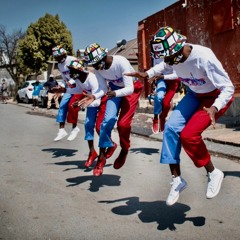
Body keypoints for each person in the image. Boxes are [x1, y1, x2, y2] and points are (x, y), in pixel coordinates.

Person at [125, 26, 234, 206]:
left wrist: (215, 107)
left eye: (170, 58)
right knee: (170, 128)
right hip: (194, 94)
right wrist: (148, 73)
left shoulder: (203, 57)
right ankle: (177, 180)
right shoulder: (172, 56)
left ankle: (213, 172)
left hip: (215, 97)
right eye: (166, 59)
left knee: (189, 136)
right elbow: (164, 64)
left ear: (178, 48)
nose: (169, 63)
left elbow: (228, 87)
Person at [82, 43, 143, 176]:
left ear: (104, 57)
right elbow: (103, 89)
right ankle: (101, 158)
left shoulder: (121, 62)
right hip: (114, 91)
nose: (96, 67)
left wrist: (115, 94)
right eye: (94, 65)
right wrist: (94, 96)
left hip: (131, 89)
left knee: (123, 124)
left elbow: (130, 88)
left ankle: (125, 150)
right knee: (106, 122)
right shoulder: (98, 69)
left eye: (97, 63)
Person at [67, 59, 108, 168]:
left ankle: (103, 155)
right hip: (90, 101)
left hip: (101, 100)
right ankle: (92, 152)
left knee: (100, 127)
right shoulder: (78, 79)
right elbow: (75, 91)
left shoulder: (92, 79)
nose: (70, 74)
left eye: (72, 71)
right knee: (88, 125)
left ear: (79, 70)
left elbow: (97, 100)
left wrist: (82, 104)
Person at [52, 45, 81, 141]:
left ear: (64, 54)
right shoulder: (60, 65)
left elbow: (80, 72)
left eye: (59, 57)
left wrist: (71, 81)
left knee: (72, 106)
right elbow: (65, 79)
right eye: (56, 58)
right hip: (69, 88)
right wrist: (61, 87)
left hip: (79, 87)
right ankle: (61, 130)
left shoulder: (72, 60)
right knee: (62, 105)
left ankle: (74, 128)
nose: (58, 59)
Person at [148, 56, 180, 134]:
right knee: (159, 96)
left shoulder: (176, 56)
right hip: (161, 79)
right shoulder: (156, 54)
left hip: (173, 81)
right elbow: (155, 68)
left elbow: (177, 75)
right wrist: (152, 77)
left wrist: (163, 76)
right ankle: (156, 117)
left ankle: (162, 118)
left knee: (166, 104)